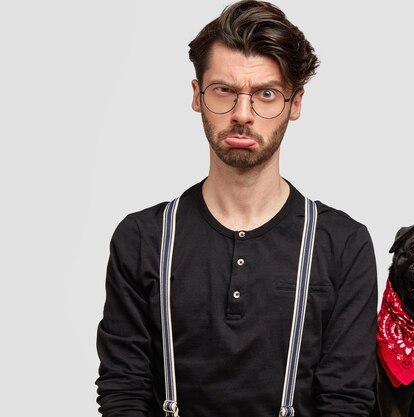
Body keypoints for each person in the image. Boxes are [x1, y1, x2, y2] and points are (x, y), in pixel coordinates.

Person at [95, 1, 378, 417]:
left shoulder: (342, 244)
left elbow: (347, 401)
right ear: (197, 96)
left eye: (266, 93)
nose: (242, 115)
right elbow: (124, 390)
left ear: (294, 103)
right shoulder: (142, 238)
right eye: (224, 90)